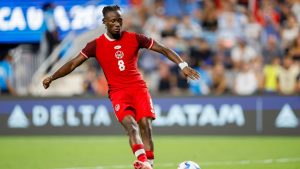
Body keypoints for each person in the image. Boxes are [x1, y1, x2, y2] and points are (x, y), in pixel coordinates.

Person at [42, 5, 200, 169]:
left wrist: (183, 65)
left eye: (119, 20)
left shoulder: (135, 38)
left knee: (145, 126)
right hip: (118, 93)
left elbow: (163, 49)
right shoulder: (95, 45)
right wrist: (52, 77)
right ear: (105, 22)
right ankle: (144, 163)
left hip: (138, 89)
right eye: (112, 21)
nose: (117, 24)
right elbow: (73, 63)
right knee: (131, 127)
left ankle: (148, 165)